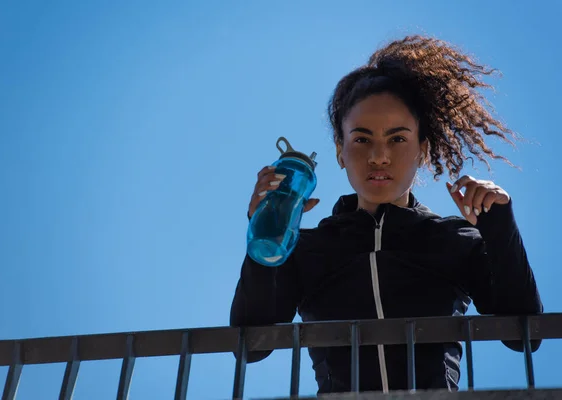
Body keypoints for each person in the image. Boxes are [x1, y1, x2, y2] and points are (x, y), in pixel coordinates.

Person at [230, 35, 543, 394]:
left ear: (423, 148)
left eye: (397, 139)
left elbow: (525, 336)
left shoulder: (453, 240)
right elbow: (251, 346)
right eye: (362, 139)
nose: (379, 156)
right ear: (340, 152)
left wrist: (500, 226)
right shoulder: (307, 248)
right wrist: (263, 228)